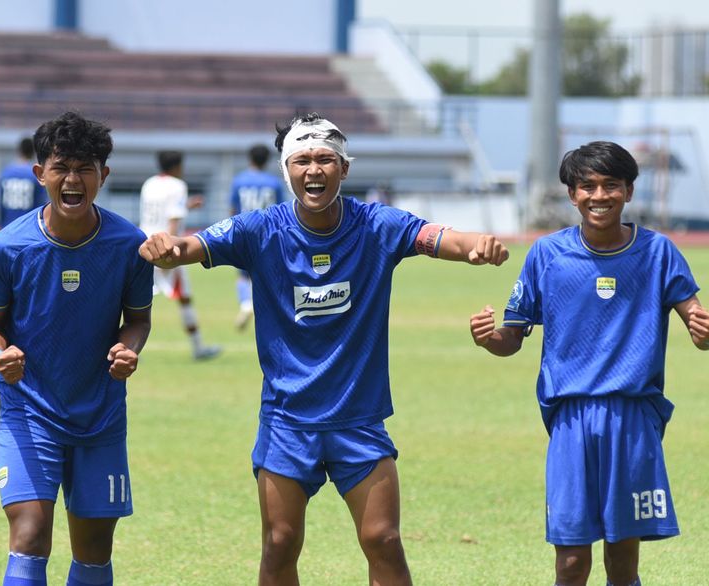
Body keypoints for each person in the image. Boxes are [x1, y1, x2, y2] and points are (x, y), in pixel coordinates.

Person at [139, 112, 509, 585]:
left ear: (344, 168)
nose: (313, 169)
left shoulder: (376, 224)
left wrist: (476, 244)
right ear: (286, 170)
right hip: (288, 421)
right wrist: (168, 248)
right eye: (302, 160)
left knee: (384, 541)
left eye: (325, 159)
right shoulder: (260, 230)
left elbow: (436, 237)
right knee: (278, 544)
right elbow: (193, 246)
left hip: (358, 418)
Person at [469, 141, 709, 586]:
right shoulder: (547, 255)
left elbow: (700, 326)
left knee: (622, 559)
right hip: (569, 418)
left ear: (629, 191)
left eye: (610, 185)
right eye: (587, 186)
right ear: (571, 194)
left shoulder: (659, 253)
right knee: (570, 561)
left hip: (632, 415)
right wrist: (491, 339)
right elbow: (513, 337)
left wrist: (706, 332)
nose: (598, 196)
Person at [0, 111, 154, 586]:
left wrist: (128, 348)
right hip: (29, 412)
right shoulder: (6, 249)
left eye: (85, 168)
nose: (72, 179)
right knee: (30, 534)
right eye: (61, 167)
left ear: (104, 175)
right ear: (41, 174)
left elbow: (137, 319)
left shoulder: (128, 246)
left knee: (94, 548)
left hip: (100, 415)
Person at [139, 150, 221, 360]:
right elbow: (173, 219)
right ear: (177, 167)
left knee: (133, 298)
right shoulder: (177, 186)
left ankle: (113, 345)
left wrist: (187, 206)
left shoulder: (149, 184)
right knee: (184, 298)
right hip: (165, 248)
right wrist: (170, 253)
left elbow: (162, 211)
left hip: (144, 246)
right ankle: (198, 348)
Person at [228, 143, 285, 329]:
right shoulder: (274, 183)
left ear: (250, 159)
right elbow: (280, 211)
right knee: (266, 274)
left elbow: (232, 209)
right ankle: (270, 312)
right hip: (267, 233)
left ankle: (246, 304)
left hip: (244, 231)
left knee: (243, 276)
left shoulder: (239, 181)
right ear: (267, 160)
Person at [0, 137, 47, 229]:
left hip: (8, 225)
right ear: (33, 152)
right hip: (28, 226)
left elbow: (0, 204)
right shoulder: (35, 174)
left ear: (19, 151)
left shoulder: (6, 172)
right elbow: (40, 203)